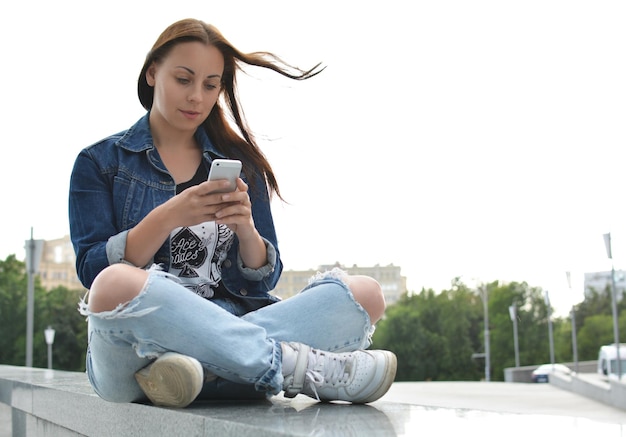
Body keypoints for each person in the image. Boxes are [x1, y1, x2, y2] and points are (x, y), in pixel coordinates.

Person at [69, 18, 397, 408]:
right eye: (184, 79)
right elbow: (92, 270)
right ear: (153, 72)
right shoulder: (100, 162)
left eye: (211, 84)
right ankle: (287, 368)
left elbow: (263, 279)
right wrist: (168, 216)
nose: (197, 97)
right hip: (138, 344)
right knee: (114, 286)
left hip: (228, 322)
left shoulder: (240, 163)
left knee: (365, 295)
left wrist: (245, 231)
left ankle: (192, 372)